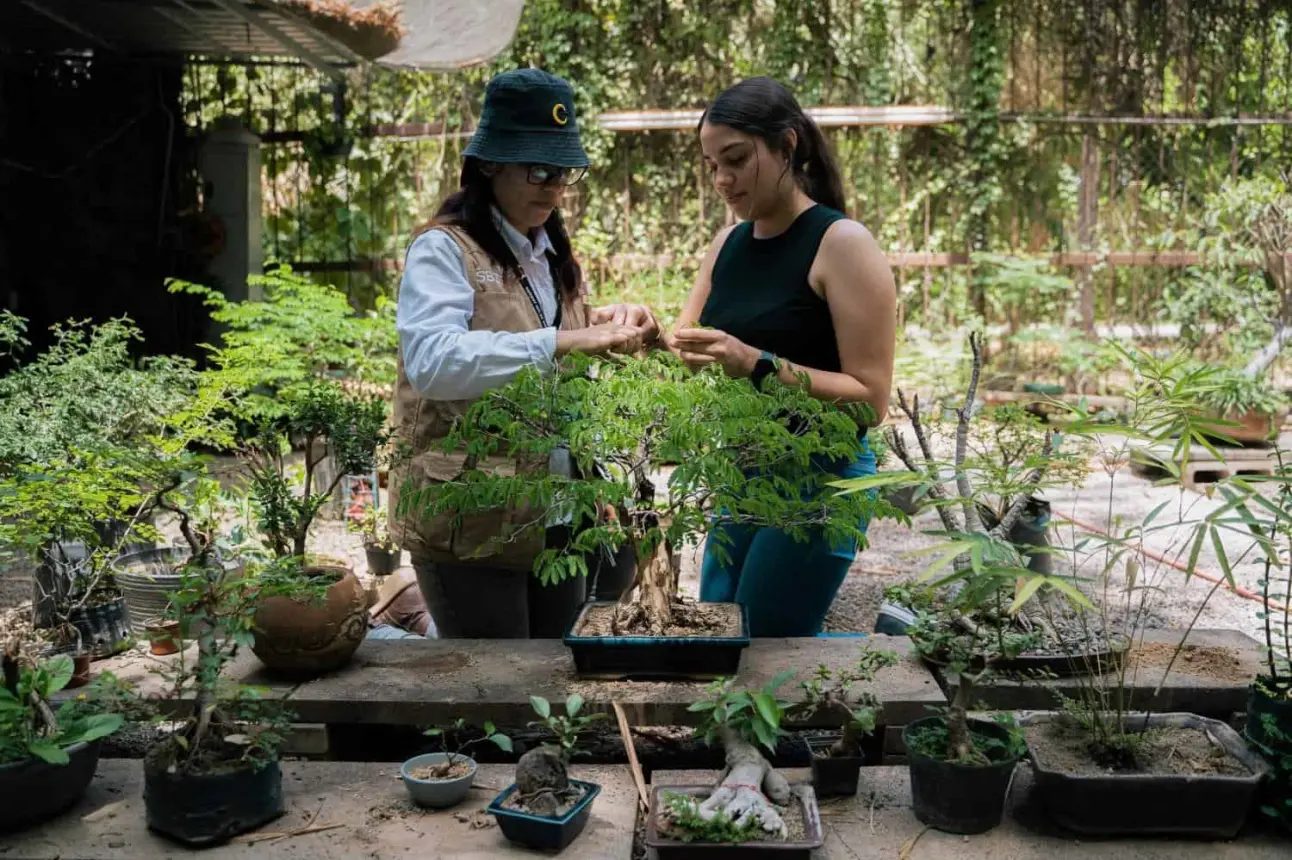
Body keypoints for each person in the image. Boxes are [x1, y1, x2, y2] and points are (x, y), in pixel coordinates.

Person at [389, 68, 659, 639]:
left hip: (556, 511)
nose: (553, 186)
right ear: (489, 164)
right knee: (491, 693)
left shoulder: (549, 255)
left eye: (564, 171)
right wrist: (563, 340)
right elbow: (434, 362)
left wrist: (613, 324)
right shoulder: (443, 250)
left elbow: (549, 340)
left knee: (555, 677)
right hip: (471, 519)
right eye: (538, 169)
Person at [667, 77, 897, 637]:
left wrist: (757, 364)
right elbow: (688, 349)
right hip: (738, 472)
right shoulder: (726, 244)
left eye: (737, 159)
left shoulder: (841, 243)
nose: (722, 179)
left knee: (766, 646)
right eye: (711, 164)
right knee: (721, 638)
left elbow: (870, 401)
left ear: (787, 146)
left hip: (822, 480)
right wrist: (642, 331)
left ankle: (904, 663)